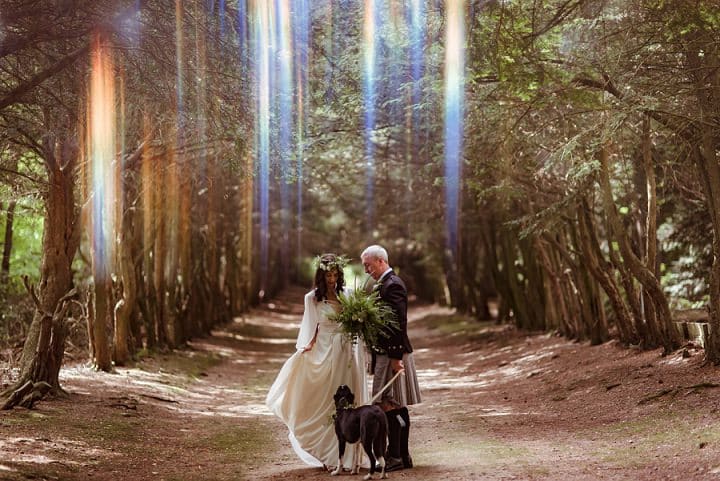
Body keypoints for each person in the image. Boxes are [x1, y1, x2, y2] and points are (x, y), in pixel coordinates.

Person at [266, 253, 367, 471]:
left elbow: (357, 325)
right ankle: (327, 452)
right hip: (324, 348)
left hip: (346, 350)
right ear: (321, 276)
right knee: (325, 398)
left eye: (334, 275)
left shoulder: (348, 294)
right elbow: (310, 326)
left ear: (339, 275)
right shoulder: (312, 298)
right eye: (327, 275)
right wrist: (305, 349)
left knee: (348, 398)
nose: (331, 279)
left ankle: (350, 455)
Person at [361, 245, 421, 472]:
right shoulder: (386, 284)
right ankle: (402, 456)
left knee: (390, 405)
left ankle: (395, 456)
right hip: (387, 354)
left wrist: (396, 358)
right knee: (395, 405)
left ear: (380, 261)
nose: (366, 270)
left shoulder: (392, 285)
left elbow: (398, 323)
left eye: (368, 265)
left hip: (392, 355)